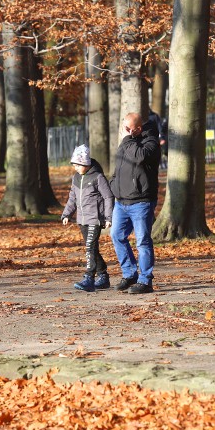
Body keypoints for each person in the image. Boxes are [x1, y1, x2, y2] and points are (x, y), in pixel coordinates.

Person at [109, 113, 160, 294]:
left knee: (142, 241)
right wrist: (114, 185)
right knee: (116, 235)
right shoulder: (127, 142)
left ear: (137, 129)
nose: (124, 132)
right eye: (124, 127)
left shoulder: (150, 142)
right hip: (122, 201)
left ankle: (145, 280)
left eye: (127, 128)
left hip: (141, 201)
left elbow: (140, 156)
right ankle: (129, 273)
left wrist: (127, 139)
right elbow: (119, 166)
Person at [61, 144, 115, 292]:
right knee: (92, 249)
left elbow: (108, 197)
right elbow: (72, 197)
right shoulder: (76, 178)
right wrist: (67, 214)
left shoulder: (98, 177)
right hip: (82, 220)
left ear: (85, 163)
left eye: (78, 165)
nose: (75, 168)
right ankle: (103, 276)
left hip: (95, 219)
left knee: (89, 248)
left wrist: (108, 217)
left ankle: (89, 278)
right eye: (74, 165)